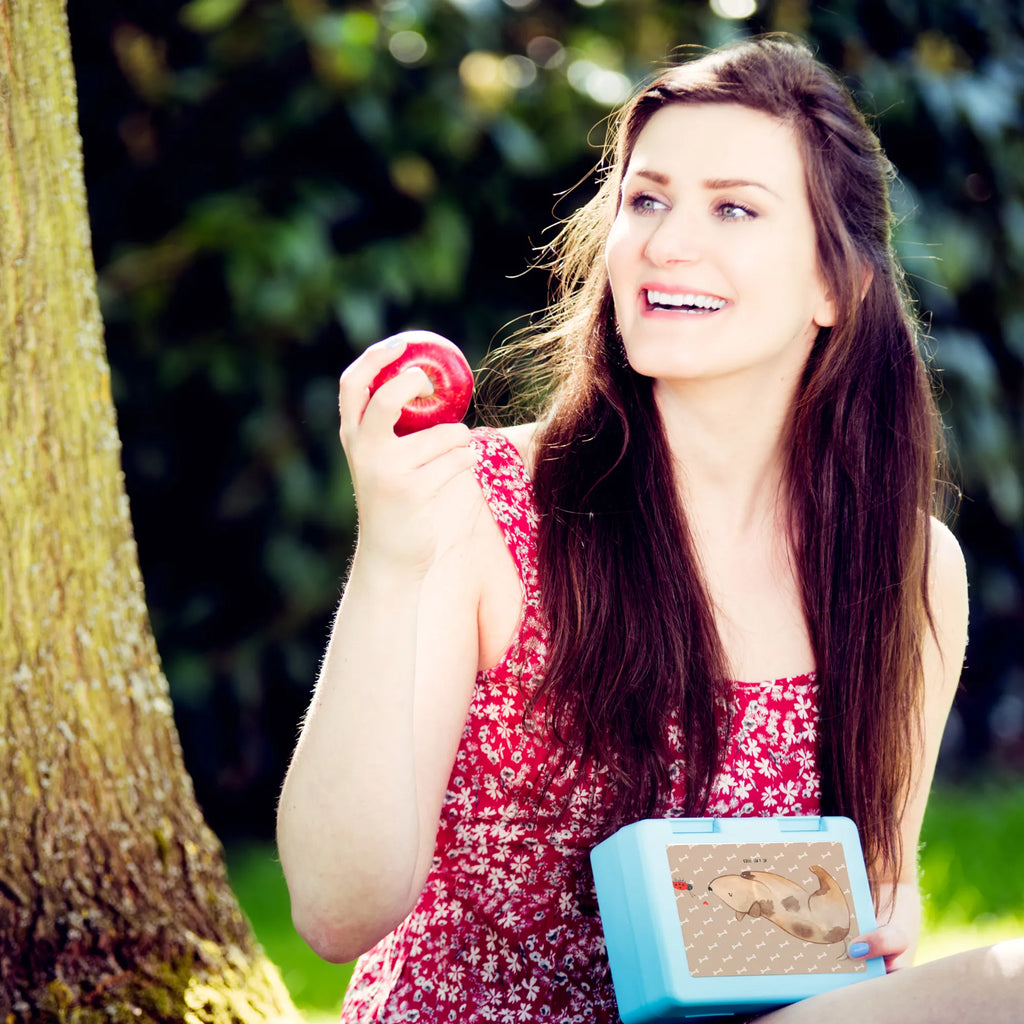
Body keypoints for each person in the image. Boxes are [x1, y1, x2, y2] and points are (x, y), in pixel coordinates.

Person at [276, 34, 1023, 1023]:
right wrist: (393, 556)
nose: (667, 241)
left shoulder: (909, 570)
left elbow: (873, 903)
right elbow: (335, 913)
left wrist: (884, 908)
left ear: (833, 287)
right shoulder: (483, 508)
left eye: (732, 207)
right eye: (645, 198)